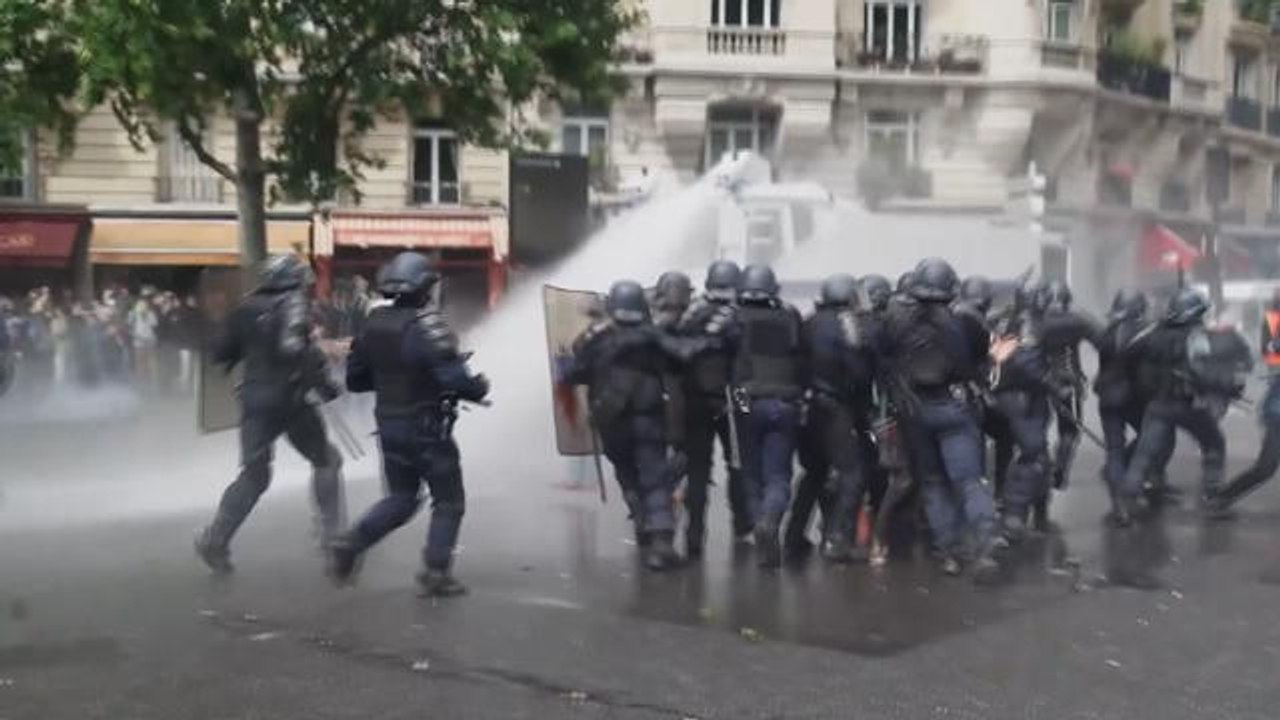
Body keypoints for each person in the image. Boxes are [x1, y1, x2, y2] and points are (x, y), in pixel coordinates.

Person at [329, 252, 489, 595]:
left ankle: (351, 543)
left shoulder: (372, 325)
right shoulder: (428, 326)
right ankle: (435, 572)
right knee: (449, 500)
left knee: (401, 497)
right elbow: (458, 382)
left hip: (388, 425)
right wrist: (479, 387)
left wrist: (392, 378)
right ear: (423, 288)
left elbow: (356, 381)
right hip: (427, 427)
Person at [195, 255, 345, 575]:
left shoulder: (245, 307)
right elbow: (295, 349)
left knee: (254, 475)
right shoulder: (293, 303)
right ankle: (332, 539)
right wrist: (324, 384)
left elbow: (221, 354)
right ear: (293, 280)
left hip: (254, 400)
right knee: (326, 460)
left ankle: (216, 539)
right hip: (290, 399)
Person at [559, 280, 690, 571]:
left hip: (611, 421)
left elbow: (571, 373)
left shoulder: (596, 340)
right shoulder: (654, 338)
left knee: (627, 474)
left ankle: (642, 522)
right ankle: (661, 545)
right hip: (649, 419)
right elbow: (679, 366)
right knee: (655, 480)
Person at [881, 258, 999, 579]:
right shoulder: (966, 322)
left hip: (915, 410)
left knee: (932, 483)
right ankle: (986, 542)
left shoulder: (894, 320)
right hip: (956, 406)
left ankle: (949, 552)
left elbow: (884, 360)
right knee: (968, 480)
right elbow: (984, 358)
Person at [1121, 288, 1247, 517]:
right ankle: (1212, 499)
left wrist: (1144, 384)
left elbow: (1129, 351)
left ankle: (1128, 499)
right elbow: (1202, 373)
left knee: (1144, 453)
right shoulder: (1196, 336)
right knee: (1214, 445)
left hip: (1157, 403)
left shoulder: (1154, 331)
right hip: (1188, 405)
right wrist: (1230, 388)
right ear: (1193, 313)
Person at [787, 273, 877, 563]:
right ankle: (837, 539)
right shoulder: (849, 324)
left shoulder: (809, 322)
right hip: (837, 409)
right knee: (853, 474)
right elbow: (858, 372)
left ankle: (792, 535)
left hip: (807, 407)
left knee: (813, 473)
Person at [725, 264, 806, 568]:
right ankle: (770, 521)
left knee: (751, 472)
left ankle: (759, 521)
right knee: (778, 475)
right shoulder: (790, 317)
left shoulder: (734, 320)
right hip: (785, 401)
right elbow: (803, 357)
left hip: (746, 401)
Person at [675, 260, 750, 558]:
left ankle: (694, 534)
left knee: (697, 472)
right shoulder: (736, 317)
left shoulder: (690, 313)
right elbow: (743, 365)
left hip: (694, 401)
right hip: (727, 402)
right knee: (737, 466)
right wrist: (745, 408)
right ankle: (743, 525)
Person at [1210, 288, 1280, 514]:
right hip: (1277, 411)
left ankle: (1220, 499)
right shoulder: (1273, 323)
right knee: (1266, 467)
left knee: (1266, 467)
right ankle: (1221, 499)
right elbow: (1273, 359)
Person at [1094, 290, 1151, 523]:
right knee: (1149, 438)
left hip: (1108, 396)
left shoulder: (1106, 333)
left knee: (1114, 450)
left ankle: (1119, 508)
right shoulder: (1144, 333)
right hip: (1133, 397)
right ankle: (1129, 481)